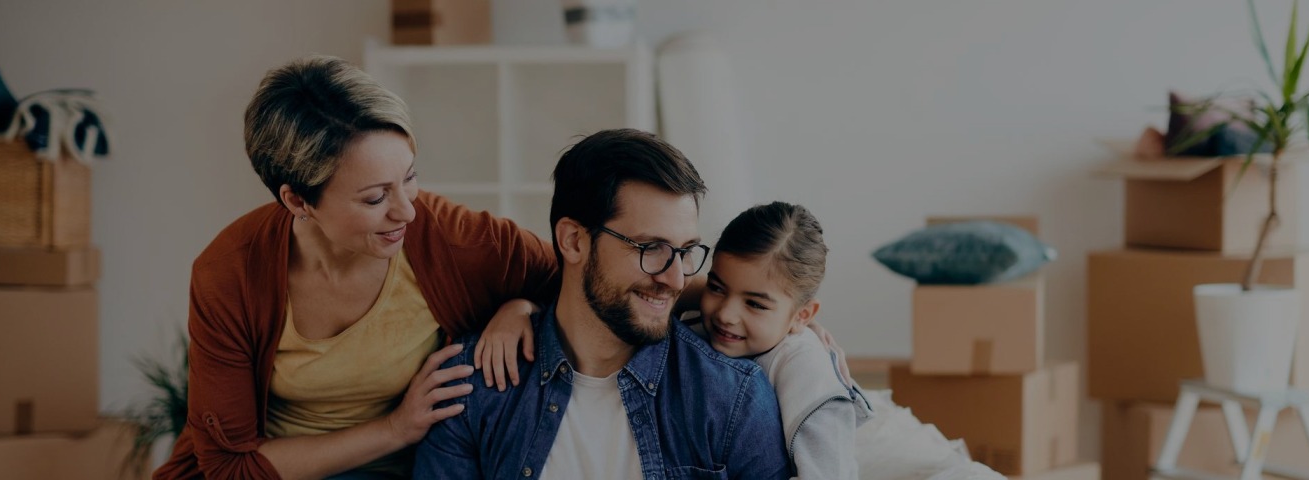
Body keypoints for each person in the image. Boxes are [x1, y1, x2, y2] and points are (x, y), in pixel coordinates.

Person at [153, 55, 558, 479]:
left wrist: (524, 306)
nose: (407, 211)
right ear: (297, 201)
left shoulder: (455, 239)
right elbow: (229, 465)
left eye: (409, 177)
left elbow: (581, 279)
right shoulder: (229, 275)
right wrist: (394, 428)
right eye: (374, 198)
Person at [413, 128, 792, 479]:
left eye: (686, 251)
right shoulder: (471, 385)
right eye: (651, 248)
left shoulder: (731, 398)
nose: (676, 279)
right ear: (574, 241)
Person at [689, 201, 873, 479]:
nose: (726, 315)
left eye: (755, 304)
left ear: (802, 315)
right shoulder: (696, 326)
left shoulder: (806, 369)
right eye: (716, 288)